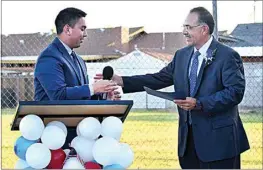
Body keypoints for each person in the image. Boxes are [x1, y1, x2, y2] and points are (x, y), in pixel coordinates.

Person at [96, 6, 250, 169]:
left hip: (219, 144)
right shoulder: (182, 55)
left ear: (204, 29)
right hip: (188, 143)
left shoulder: (227, 56)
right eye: (184, 27)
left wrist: (200, 103)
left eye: (188, 27)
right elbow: (159, 78)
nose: (184, 31)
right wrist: (121, 80)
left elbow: (234, 93)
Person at [34, 7, 119, 148]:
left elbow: (83, 97)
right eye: (82, 28)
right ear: (67, 29)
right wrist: (93, 88)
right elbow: (58, 95)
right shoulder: (49, 57)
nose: (85, 34)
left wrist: (103, 96)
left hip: (81, 136)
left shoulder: (79, 60)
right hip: (55, 138)